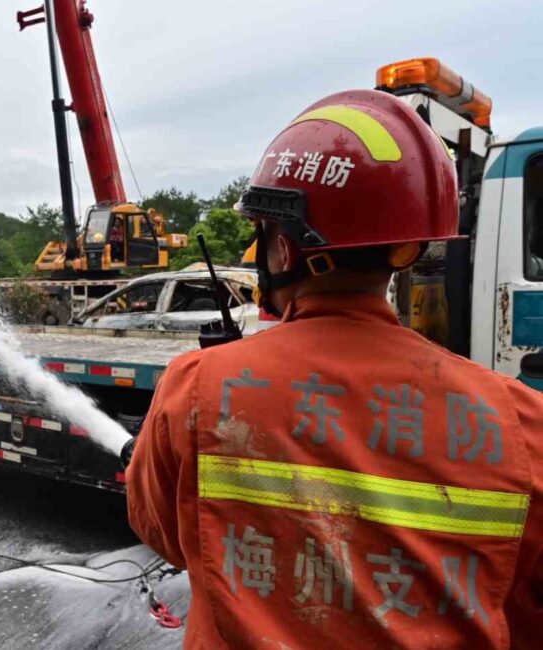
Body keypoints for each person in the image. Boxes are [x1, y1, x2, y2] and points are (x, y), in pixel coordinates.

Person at [126, 89, 543, 649]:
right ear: (409, 248)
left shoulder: (197, 388)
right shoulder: (523, 423)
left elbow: (166, 536)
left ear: (283, 250)